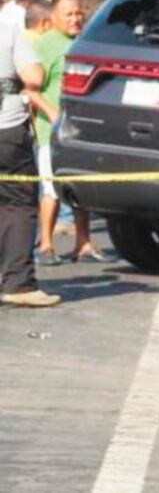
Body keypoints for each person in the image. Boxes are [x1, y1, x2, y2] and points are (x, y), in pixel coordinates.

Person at [31, 0, 110, 265]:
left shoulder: (86, 44)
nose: (76, 19)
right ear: (52, 17)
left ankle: (83, 243)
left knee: (80, 188)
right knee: (51, 189)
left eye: (79, 13)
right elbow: (29, 90)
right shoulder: (44, 47)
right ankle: (46, 245)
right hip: (50, 134)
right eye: (69, 14)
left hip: (82, 131)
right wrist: (51, 112)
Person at [0, 21, 60, 307]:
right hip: (6, 133)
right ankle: (18, 283)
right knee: (18, 204)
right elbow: (34, 76)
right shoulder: (7, 29)